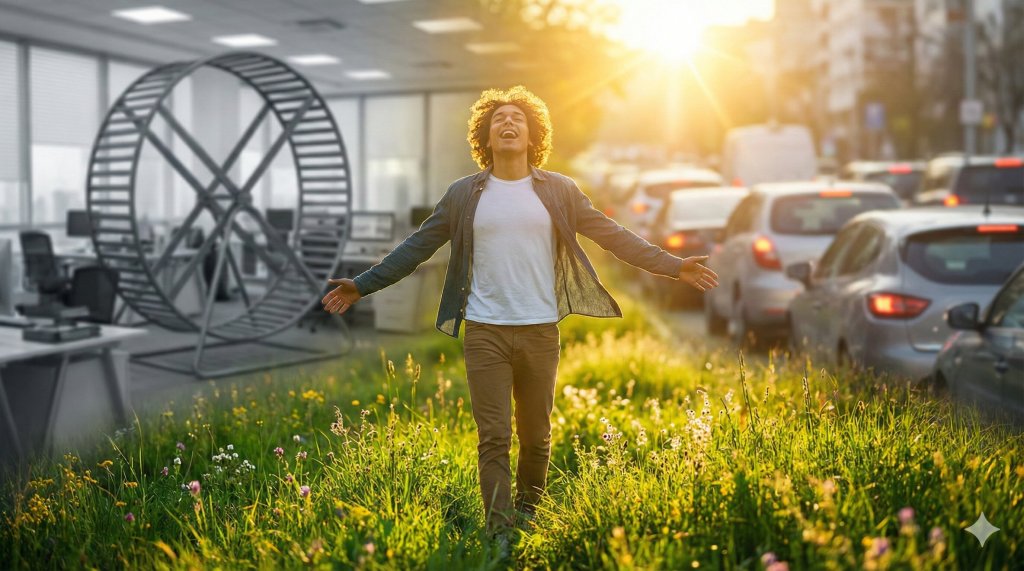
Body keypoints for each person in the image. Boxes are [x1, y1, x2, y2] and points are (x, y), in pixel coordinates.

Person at [321, 86, 719, 541]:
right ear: (485, 137)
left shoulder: (560, 191)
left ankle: (530, 519)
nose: (508, 123)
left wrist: (673, 266)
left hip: (539, 331)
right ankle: (499, 534)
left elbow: (613, 236)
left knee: (536, 438)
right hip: (485, 331)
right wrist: (363, 284)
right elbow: (416, 247)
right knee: (493, 437)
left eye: (517, 118)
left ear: (532, 136)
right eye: (498, 119)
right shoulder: (463, 194)